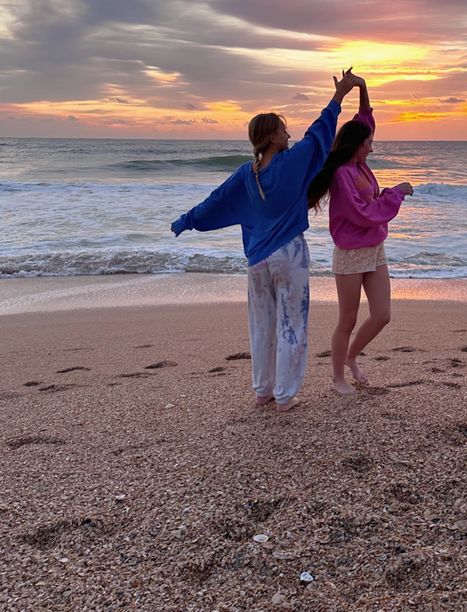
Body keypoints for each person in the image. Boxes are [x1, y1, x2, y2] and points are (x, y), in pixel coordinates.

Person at [170, 69, 360, 412]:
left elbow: (215, 202)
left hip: (257, 260)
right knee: (293, 324)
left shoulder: (246, 173)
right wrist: (339, 96)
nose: (289, 133)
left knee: (262, 326)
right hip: (289, 254)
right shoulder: (291, 162)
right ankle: (285, 396)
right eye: (283, 129)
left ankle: (263, 391)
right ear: (272, 137)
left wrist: (186, 221)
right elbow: (320, 133)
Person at [307, 77, 413, 395]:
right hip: (351, 252)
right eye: (368, 143)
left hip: (374, 247)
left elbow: (364, 119)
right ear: (356, 145)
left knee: (382, 314)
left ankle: (353, 356)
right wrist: (396, 192)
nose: (372, 145)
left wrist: (362, 86)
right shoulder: (342, 173)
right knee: (347, 320)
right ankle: (338, 376)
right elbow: (361, 214)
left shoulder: (360, 164)